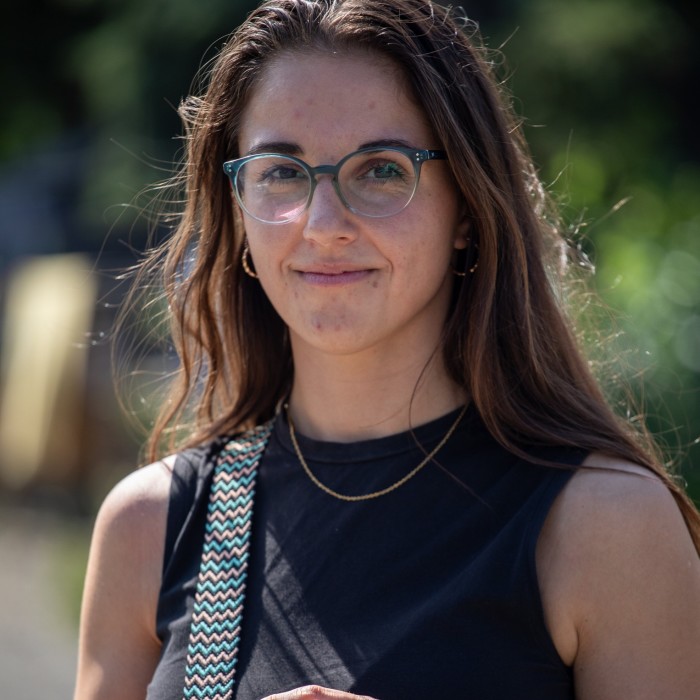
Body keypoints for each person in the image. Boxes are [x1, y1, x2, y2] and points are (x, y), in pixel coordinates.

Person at [74, 1, 700, 698]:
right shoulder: (152, 526)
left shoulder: (603, 527)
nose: (323, 223)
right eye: (281, 171)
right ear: (237, 206)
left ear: (466, 208)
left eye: (381, 170)